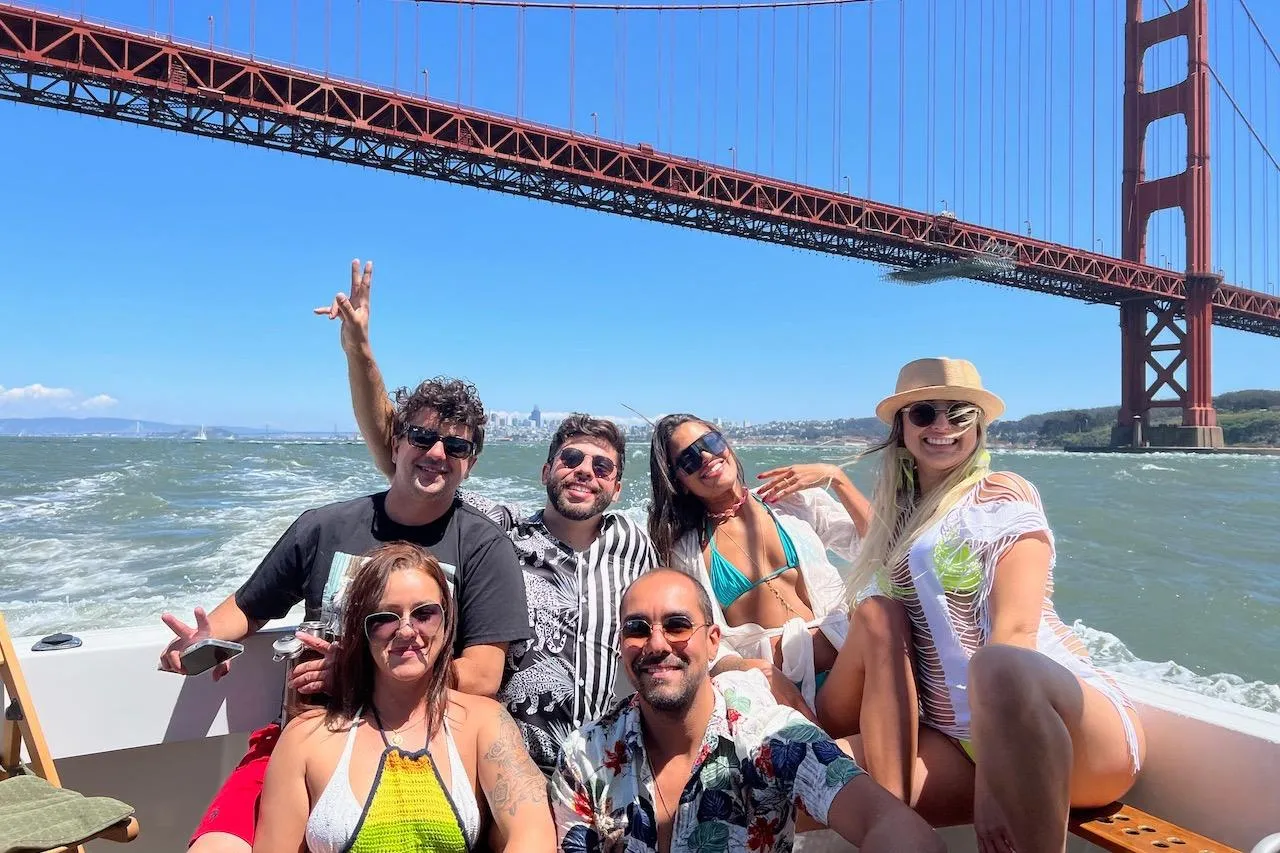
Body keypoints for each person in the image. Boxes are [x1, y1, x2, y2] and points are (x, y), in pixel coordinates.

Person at [159, 374, 531, 853]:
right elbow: (247, 609)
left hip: (421, 744)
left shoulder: (483, 548)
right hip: (303, 736)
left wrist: (359, 671)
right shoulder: (324, 527)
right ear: (396, 443)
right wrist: (201, 643)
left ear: (470, 463)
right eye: (421, 436)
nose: (437, 453)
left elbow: (482, 677)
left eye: (455, 446)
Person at [318, 259, 658, 773]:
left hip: (614, 758)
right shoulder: (499, 530)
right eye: (570, 459)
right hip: (514, 758)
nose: (584, 472)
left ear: (616, 484)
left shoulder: (636, 543)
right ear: (547, 470)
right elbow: (408, 455)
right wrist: (360, 349)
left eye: (601, 465)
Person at [816, 357, 1145, 852]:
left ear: (980, 425)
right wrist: (828, 485)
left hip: (1064, 737)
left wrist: (994, 782)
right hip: (956, 740)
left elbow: (1016, 638)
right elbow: (872, 546)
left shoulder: (999, 495)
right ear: (901, 428)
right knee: (798, 786)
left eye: (960, 413)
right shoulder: (907, 514)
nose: (943, 426)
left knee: (1001, 662)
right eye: (924, 413)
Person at [549, 568, 944, 853]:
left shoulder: (771, 738)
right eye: (637, 628)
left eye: (677, 625)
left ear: (713, 641)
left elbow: (897, 828)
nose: (656, 644)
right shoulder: (587, 756)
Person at [254, 542, 555, 853]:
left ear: (446, 622)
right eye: (385, 618)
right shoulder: (305, 738)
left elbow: (533, 834)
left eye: (425, 614)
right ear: (361, 629)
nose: (408, 631)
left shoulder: (484, 723)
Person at [647, 414, 870, 714]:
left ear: (726, 444)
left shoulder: (791, 500)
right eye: (688, 459)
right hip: (775, 697)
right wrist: (748, 668)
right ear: (680, 483)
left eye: (710, 442)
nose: (706, 457)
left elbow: (874, 547)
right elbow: (698, 636)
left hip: (849, 665)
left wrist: (837, 478)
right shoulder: (685, 552)